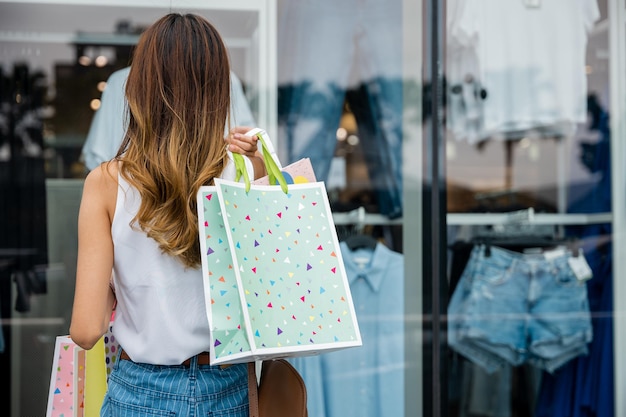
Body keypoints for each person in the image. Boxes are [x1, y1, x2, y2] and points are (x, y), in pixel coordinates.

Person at [69, 13, 265, 416]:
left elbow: (86, 330)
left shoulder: (105, 183)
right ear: (218, 88)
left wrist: (119, 276)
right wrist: (261, 167)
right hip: (228, 390)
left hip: (139, 392)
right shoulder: (245, 173)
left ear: (137, 86)